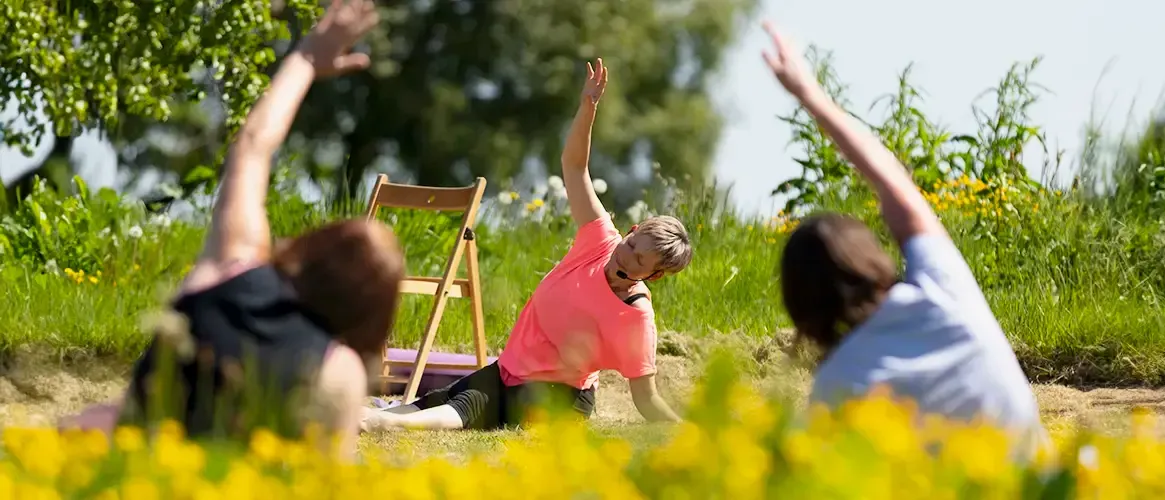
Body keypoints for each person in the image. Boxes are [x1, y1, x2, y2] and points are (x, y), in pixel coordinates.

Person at [58, 0, 398, 460]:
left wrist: (306, 58)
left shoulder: (229, 269)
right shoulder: (339, 374)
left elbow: (254, 146)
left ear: (312, 248)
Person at [360, 58, 692, 432]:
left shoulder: (635, 316)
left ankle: (378, 425)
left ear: (656, 275)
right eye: (631, 244)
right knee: (434, 401)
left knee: (468, 408)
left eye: (640, 262)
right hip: (510, 369)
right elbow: (574, 166)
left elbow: (646, 398)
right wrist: (588, 107)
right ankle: (366, 417)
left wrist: (691, 431)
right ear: (630, 230)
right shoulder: (599, 240)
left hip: (557, 396)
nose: (626, 257)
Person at [760, 22, 1043, 436]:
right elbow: (895, 183)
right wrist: (810, 94)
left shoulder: (837, 387)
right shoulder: (944, 294)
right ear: (870, 258)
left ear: (802, 308)